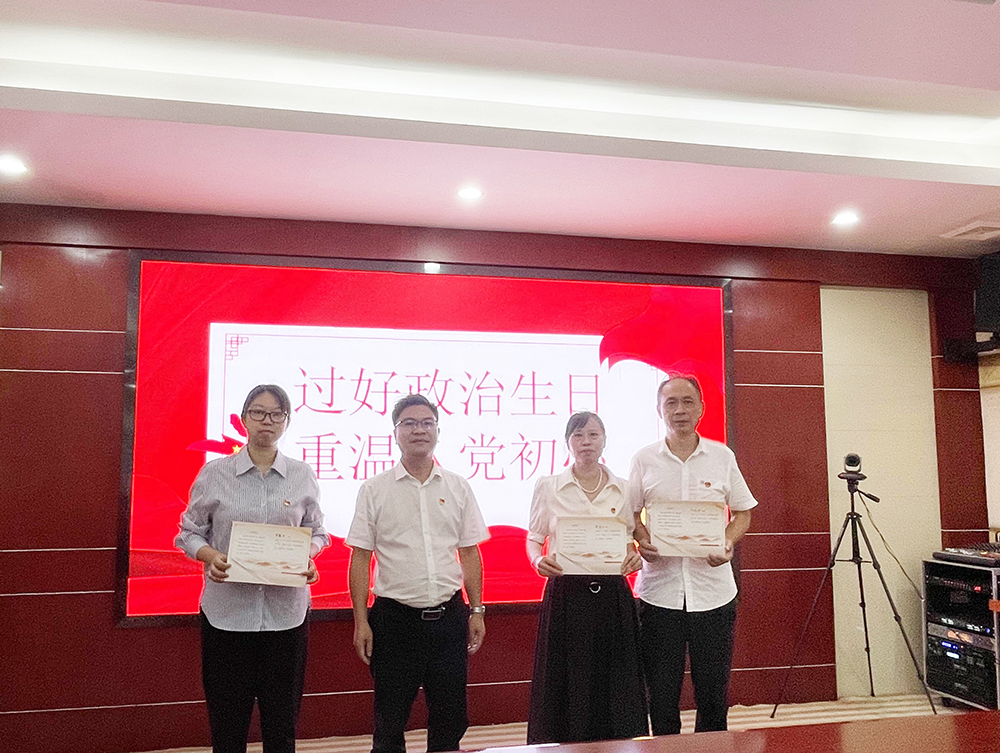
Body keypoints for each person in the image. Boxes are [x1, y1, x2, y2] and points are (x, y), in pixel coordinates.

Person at [176, 384, 330, 753]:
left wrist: (307, 556)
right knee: (228, 726)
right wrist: (210, 556)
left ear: (286, 422)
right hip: (227, 617)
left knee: (282, 727)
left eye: (276, 414)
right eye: (258, 412)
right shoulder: (215, 473)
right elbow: (189, 533)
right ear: (244, 418)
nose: (267, 421)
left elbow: (317, 531)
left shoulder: (302, 474)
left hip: (286, 618)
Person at [346, 393, 489, 753]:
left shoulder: (457, 486)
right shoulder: (374, 489)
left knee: (451, 719)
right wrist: (361, 621)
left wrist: (476, 610)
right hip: (395, 622)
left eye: (427, 423)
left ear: (438, 431)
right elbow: (360, 558)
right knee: (390, 721)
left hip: (449, 619)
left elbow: (469, 552)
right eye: (409, 423)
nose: (419, 430)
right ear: (395, 432)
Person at [629, 374, 757, 735]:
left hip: (713, 592)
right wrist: (643, 540)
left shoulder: (721, 456)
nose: (680, 410)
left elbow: (743, 513)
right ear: (659, 410)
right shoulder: (643, 459)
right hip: (659, 594)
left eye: (687, 401)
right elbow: (630, 516)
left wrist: (727, 542)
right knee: (661, 695)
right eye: (671, 402)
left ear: (701, 408)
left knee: (713, 695)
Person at [526, 412, 648, 744]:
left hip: (611, 592)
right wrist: (537, 560)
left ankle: (617, 745)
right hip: (567, 592)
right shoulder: (549, 486)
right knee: (567, 674)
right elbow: (534, 538)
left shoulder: (623, 488)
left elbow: (627, 539)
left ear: (604, 440)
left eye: (593, 435)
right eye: (578, 436)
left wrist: (633, 556)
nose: (586, 442)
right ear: (567, 442)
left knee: (615, 674)